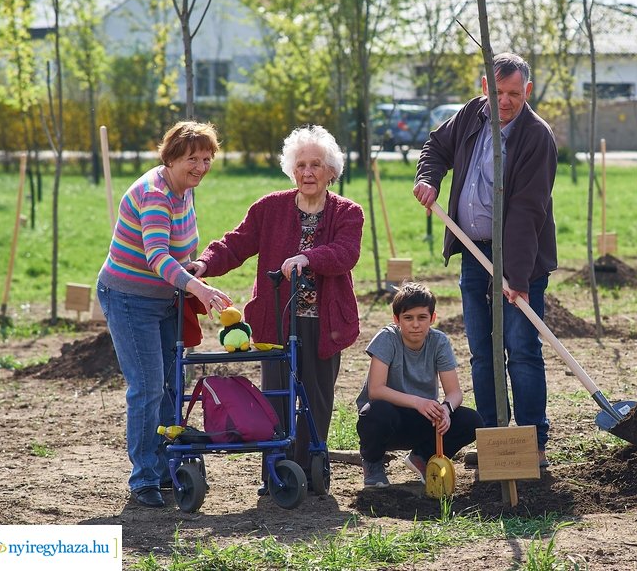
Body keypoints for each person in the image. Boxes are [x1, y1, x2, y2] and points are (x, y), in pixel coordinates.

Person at [190, 125, 364, 489]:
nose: (308, 172)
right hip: (277, 320)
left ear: (332, 171)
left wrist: (307, 257)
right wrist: (204, 264)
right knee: (276, 399)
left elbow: (345, 253)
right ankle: (277, 471)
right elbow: (236, 244)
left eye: (317, 164)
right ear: (291, 169)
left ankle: (310, 466)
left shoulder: (348, 212)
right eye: (301, 164)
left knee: (317, 400)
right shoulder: (270, 208)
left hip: (324, 322)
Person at [413, 52, 557, 465]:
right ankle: (494, 439)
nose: (505, 101)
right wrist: (428, 179)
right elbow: (436, 147)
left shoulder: (536, 137)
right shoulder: (472, 115)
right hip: (473, 254)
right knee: (482, 349)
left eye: (514, 93)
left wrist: (517, 277)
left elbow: (530, 211)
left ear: (527, 91)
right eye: (497, 92)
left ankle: (533, 444)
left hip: (519, 258)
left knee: (521, 348)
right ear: (484, 88)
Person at [97, 121, 233, 508]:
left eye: (207, 159)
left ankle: (165, 468)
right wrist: (197, 289)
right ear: (171, 157)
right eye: (193, 159)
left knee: (173, 383)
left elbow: (180, 250)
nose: (201, 167)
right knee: (148, 388)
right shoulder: (155, 194)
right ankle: (144, 479)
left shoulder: (185, 190)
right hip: (129, 298)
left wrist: (196, 271)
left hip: (165, 300)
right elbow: (157, 256)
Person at [356, 282, 484, 488]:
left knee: (471, 420)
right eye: (408, 318)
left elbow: (455, 393)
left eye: (422, 317)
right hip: (390, 419)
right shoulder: (387, 338)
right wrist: (418, 402)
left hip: (423, 417)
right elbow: (376, 390)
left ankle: (422, 458)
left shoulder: (439, 341)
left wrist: (445, 409)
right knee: (375, 411)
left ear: (432, 318)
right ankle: (373, 463)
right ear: (396, 319)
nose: (415, 324)